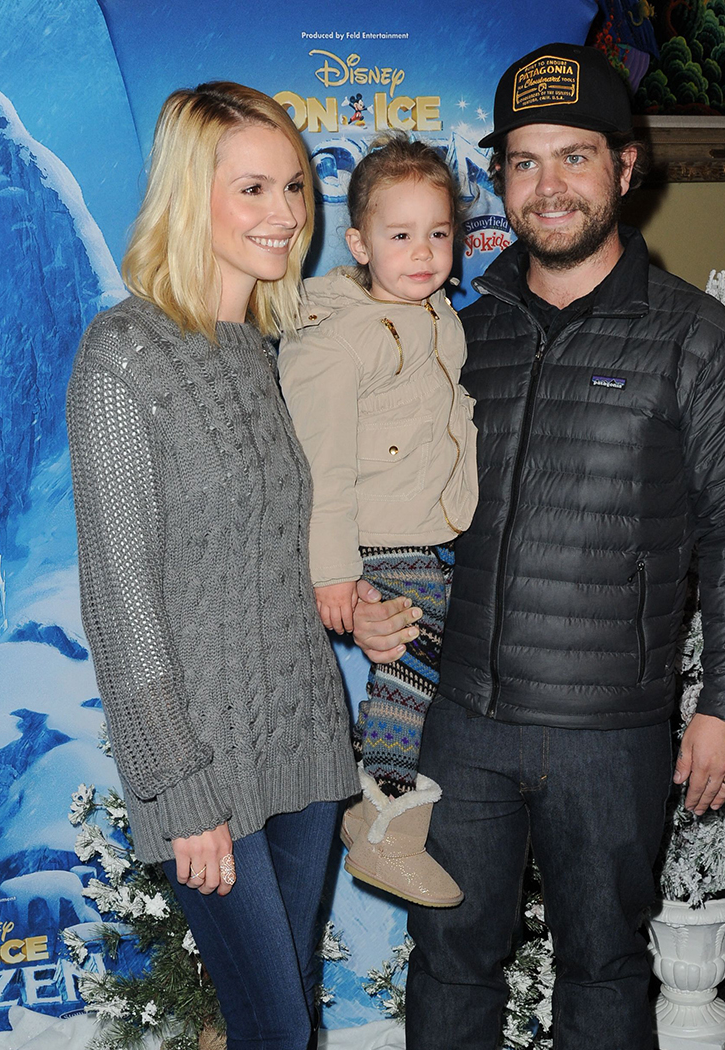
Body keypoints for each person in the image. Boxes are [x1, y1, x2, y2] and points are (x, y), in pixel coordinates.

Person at [353, 43, 725, 1050]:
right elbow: (370, 475)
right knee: (453, 952)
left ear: (626, 171)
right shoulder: (452, 329)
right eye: (525, 162)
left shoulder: (696, 343)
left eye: (575, 159)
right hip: (464, 715)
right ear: (501, 179)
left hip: (613, 719)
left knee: (608, 947)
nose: (548, 186)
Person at [66, 81, 368, 1050]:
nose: (283, 212)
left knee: (283, 1020)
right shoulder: (124, 355)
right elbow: (124, 603)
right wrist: (179, 788)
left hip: (299, 737)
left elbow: (263, 571)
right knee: (277, 1039)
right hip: (210, 769)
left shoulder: (258, 347)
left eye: (294, 187)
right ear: (191, 196)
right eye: (252, 187)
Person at [278, 134, 477, 909]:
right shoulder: (337, 336)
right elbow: (318, 467)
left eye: (438, 233)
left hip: (433, 527)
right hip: (379, 537)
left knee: (420, 669)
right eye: (400, 235)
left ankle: (371, 809)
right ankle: (391, 822)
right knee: (408, 667)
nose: (423, 252)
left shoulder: (438, 313)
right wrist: (332, 571)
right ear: (359, 242)